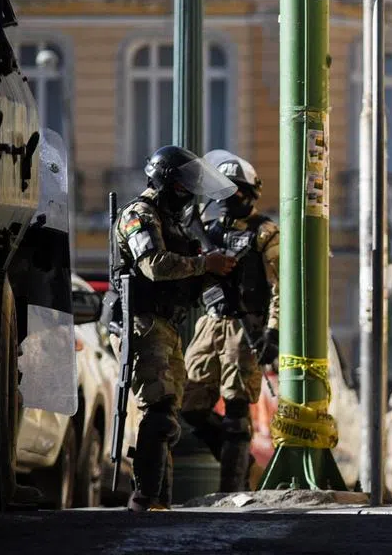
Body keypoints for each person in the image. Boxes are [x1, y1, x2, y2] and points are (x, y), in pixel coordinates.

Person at [112, 145, 238, 511]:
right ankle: (145, 498)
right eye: (184, 187)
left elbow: (181, 278)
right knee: (160, 409)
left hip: (166, 324)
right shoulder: (140, 214)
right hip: (144, 321)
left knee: (168, 412)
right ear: (167, 182)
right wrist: (204, 265)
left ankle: (158, 501)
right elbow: (153, 265)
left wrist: (216, 274)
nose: (188, 195)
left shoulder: (172, 221)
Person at [180, 151, 280, 493]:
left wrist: (273, 331)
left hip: (245, 325)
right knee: (190, 403)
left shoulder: (264, 233)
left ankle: (232, 486)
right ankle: (237, 457)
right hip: (210, 323)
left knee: (238, 407)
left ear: (249, 193)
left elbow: (281, 285)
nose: (227, 198)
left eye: (234, 190)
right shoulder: (206, 230)